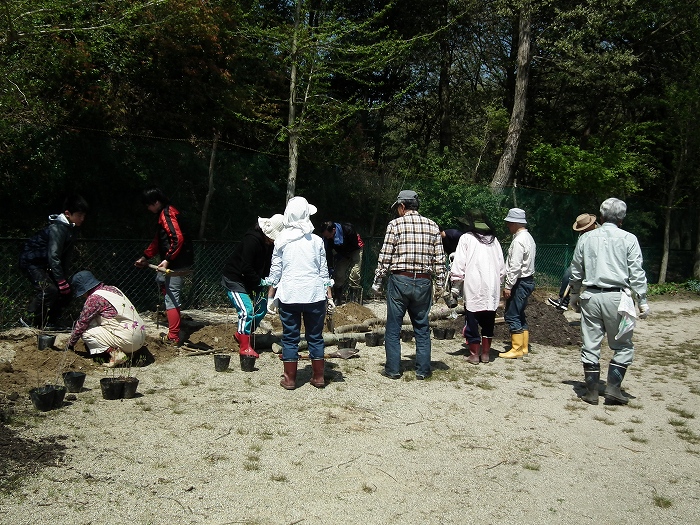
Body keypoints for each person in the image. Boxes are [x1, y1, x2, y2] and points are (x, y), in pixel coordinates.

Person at [569, 198, 649, 405]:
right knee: (623, 345)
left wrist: (574, 294)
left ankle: (591, 392)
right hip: (618, 298)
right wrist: (642, 300)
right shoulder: (629, 239)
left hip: (591, 297)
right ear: (621, 219)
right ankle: (613, 389)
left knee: (590, 344)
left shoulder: (586, 238)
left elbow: (576, 269)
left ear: (601, 217)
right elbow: (637, 272)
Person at [371, 190, 446, 380]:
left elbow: (385, 256)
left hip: (399, 280)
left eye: (398, 207)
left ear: (402, 206)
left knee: (393, 327)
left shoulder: (395, 225)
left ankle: (393, 369)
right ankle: (423, 370)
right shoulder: (433, 226)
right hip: (423, 282)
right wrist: (439, 285)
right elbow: (440, 260)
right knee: (422, 327)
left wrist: (377, 282)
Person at [266, 197, 334, 390]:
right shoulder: (317, 241)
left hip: (289, 295)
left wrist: (270, 296)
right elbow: (323, 272)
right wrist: (329, 297)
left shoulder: (281, 241)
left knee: (290, 337)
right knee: (315, 336)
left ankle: (289, 379)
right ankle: (318, 377)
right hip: (314, 295)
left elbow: (275, 272)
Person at [19, 194, 89, 330]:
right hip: (31, 261)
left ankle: (50, 322)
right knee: (49, 289)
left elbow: (65, 257)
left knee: (67, 291)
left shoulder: (71, 229)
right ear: (67, 213)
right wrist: (60, 280)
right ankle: (28, 319)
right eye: (79, 215)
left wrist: (63, 279)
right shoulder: (58, 228)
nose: (82, 219)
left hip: (44, 263)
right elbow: (54, 256)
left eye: (84, 215)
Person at [134, 187, 194, 345]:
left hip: (177, 263)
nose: (148, 208)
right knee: (161, 281)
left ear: (156, 202)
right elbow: (158, 241)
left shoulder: (167, 213)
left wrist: (168, 259)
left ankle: (173, 336)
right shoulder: (165, 213)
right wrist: (145, 256)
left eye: (148, 205)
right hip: (176, 260)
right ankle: (174, 321)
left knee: (171, 297)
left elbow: (177, 238)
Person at [222, 215, 284, 360]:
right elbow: (246, 266)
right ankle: (244, 347)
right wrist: (259, 281)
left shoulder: (269, 245)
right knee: (247, 311)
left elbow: (268, 266)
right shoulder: (252, 240)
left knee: (261, 309)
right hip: (235, 279)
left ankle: (242, 334)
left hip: (253, 280)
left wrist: (268, 284)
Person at [450, 210, 505, 364]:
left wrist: (456, 285)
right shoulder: (494, 241)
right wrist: (499, 283)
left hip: (473, 284)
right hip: (492, 286)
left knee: (472, 320)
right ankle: (486, 354)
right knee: (489, 320)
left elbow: (459, 264)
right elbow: (501, 268)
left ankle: (474, 354)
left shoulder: (466, 238)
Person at [67, 271, 146, 368]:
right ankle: (130, 353)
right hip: (140, 335)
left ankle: (116, 354)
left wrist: (70, 344)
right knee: (96, 320)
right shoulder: (113, 289)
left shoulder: (94, 298)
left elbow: (82, 324)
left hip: (128, 340)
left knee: (85, 332)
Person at [499, 208, 536, 359]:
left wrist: (508, 285)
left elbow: (515, 266)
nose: (508, 226)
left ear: (515, 223)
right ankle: (524, 347)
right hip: (527, 280)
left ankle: (517, 349)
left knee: (512, 314)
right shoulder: (529, 238)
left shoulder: (519, 241)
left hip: (519, 282)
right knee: (520, 314)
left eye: (509, 223)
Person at [547, 213, 598, 311]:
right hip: (583, 261)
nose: (582, 231)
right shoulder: (582, 235)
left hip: (596, 263)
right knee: (568, 273)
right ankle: (563, 300)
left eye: (584, 229)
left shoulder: (600, 233)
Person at [321, 221, 364, 303]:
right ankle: (338, 299)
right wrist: (330, 267)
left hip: (355, 248)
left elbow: (354, 244)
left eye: (328, 235)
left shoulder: (348, 229)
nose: (327, 237)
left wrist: (343, 254)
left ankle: (354, 300)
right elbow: (328, 253)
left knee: (355, 273)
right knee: (339, 274)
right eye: (325, 236)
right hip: (341, 252)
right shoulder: (327, 239)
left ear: (334, 230)